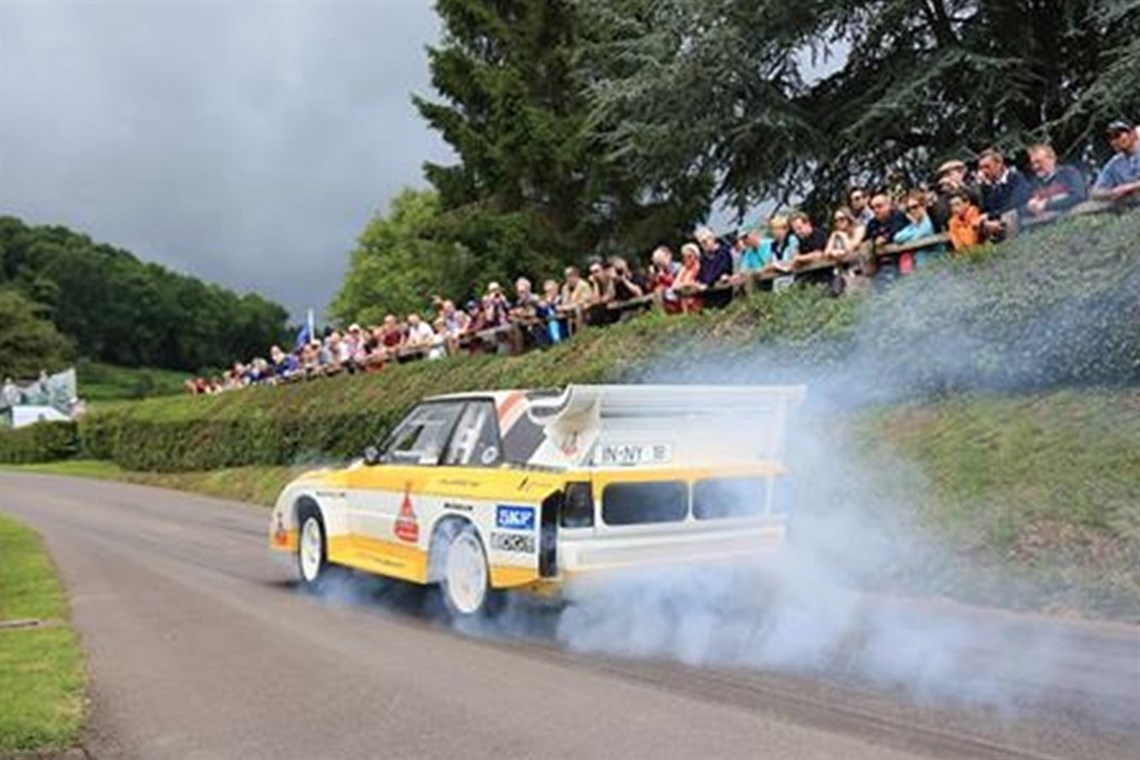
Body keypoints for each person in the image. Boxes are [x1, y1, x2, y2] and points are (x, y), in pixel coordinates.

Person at [976, 148, 1030, 241]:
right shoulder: (988, 187)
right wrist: (986, 221)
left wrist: (991, 216)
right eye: (981, 168)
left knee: (1009, 215)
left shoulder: (1015, 178)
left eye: (987, 167)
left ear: (999, 164)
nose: (984, 171)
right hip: (997, 222)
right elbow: (984, 210)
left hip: (1020, 218)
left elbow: (1016, 203)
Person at [1023, 144, 1087, 219]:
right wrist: (1029, 207)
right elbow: (1021, 208)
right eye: (1033, 163)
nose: (1035, 167)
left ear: (1052, 159)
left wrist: (1047, 205)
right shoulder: (1034, 183)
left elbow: (1079, 196)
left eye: (1038, 162)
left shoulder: (1068, 173)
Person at [1091, 120, 1140, 203]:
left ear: (1133, 134)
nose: (1114, 141)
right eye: (1111, 138)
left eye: (1118, 135)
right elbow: (1095, 192)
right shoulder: (1114, 163)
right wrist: (1111, 193)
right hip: (1128, 207)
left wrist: (1129, 188)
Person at [893, 190, 942, 271]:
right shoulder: (912, 226)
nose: (912, 211)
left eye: (915, 207)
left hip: (934, 267)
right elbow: (897, 237)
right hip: (918, 269)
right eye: (909, 209)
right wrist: (914, 229)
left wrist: (908, 238)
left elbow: (923, 233)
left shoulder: (931, 221)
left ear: (923, 206)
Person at [694, 226, 733, 308]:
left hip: (723, 295)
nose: (704, 245)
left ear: (712, 239)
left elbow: (721, 270)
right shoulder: (704, 258)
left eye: (705, 241)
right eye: (701, 243)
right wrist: (698, 282)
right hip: (709, 295)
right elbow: (701, 274)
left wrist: (707, 283)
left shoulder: (723, 252)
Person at [674, 243, 704, 313]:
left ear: (696, 256)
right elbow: (675, 285)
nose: (687, 259)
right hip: (685, 300)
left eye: (689, 256)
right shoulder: (684, 268)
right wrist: (686, 284)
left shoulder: (699, 266)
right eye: (685, 257)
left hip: (697, 299)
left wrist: (684, 284)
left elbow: (699, 284)